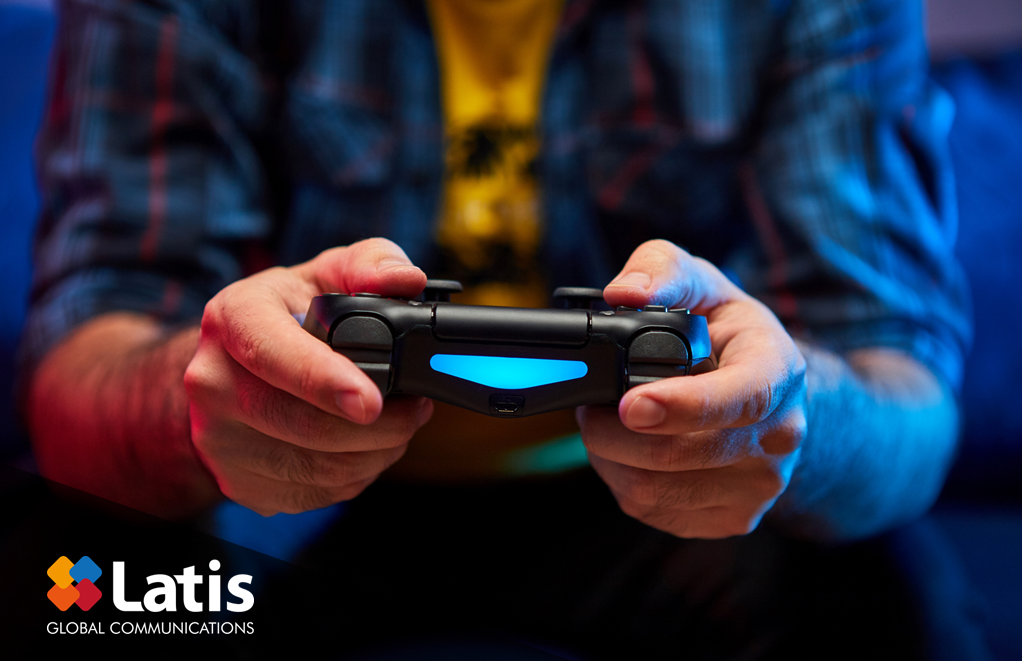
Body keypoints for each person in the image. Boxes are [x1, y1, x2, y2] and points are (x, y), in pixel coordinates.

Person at [22, 0, 978, 657]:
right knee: (74, 580)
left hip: (641, 492)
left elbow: (904, 389)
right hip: (283, 489)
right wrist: (198, 401)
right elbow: (79, 371)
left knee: (881, 593)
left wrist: (783, 414)